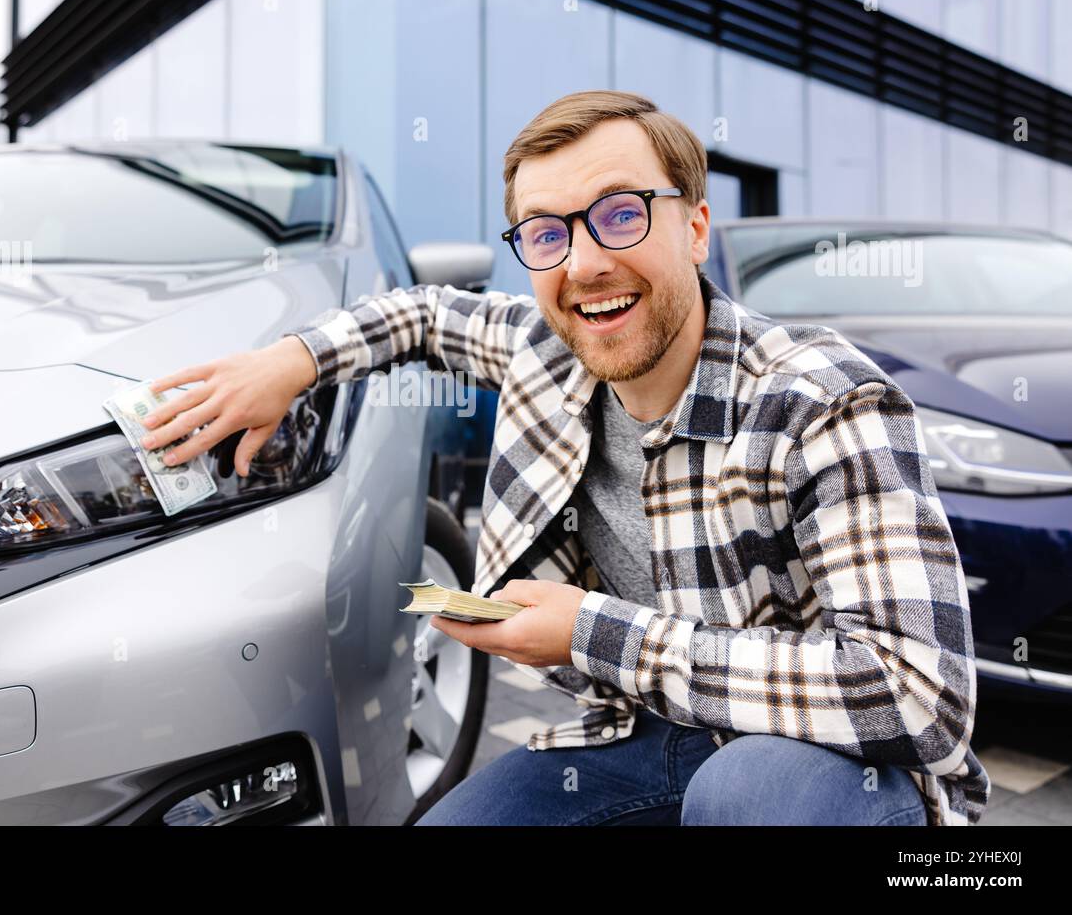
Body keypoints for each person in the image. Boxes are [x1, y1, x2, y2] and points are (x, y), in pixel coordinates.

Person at [135, 90, 989, 826]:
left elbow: (920, 698)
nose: (584, 263)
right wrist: (293, 362)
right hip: (638, 738)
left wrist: (590, 631)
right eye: (546, 235)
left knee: (748, 790)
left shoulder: (821, 398)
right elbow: (424, 315)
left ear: (694, 226)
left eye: (622, 214)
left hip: (820, 763)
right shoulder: (543, 346)